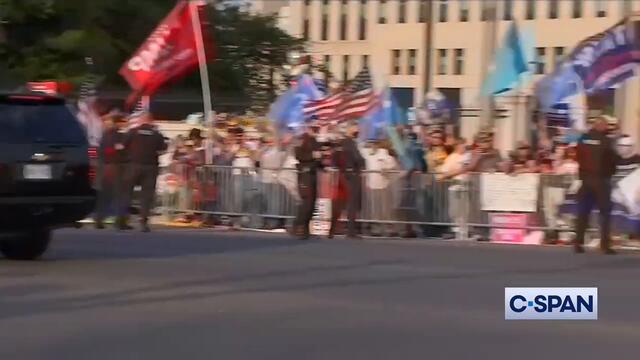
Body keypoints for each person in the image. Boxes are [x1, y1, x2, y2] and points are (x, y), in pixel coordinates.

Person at [574, 116, 618, 254]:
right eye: (606, 125)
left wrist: (582, 175)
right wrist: (610, 173)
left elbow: (578, 157)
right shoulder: (606, 141)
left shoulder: (583, 138)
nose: (607, 128)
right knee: (605, 213)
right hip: (601, 180)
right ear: (602, 126)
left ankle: (578, 243)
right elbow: (613, 160)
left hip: (586, 180)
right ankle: (605, 245)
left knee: (583, 212)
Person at [120, 112, 168, 232]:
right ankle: (143, 222)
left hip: (133, 166)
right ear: (151, 120)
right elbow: (162, 150)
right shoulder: (157, 134)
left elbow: (121, 146)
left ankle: (122, 221)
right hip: (150, 167)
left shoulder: (132, 132)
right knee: (146, 196)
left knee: (126, 193)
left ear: (141, 120)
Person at [329, 125, 365, 239]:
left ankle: (332, 231)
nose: (358, 130)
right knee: (352, 204)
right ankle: (350, 231)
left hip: (342, 174)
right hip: (352, 175)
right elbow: (357, 158)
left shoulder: (340, 144)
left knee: (340, 203)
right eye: (356, 128)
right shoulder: (350, 143)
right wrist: (362, 164)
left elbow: (333, 159)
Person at [94, 113, 130, 229]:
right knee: (120, 195)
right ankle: (120, 221)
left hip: (104, 167)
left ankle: (99, 219)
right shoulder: (117, 134)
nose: (125, 123)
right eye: (124, 121)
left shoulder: (105, 134)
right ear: (118, 122)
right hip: (116, 167)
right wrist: (119, 150)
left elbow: (100, 150)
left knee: (105, 195)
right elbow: (112, 149)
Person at [294, 125, 321, 239]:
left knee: (312, 203)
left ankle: (305, 229)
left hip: (313, 174)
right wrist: (312, 155)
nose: (316, 132)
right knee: (307, 203)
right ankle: (298, 225)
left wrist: (323, 164)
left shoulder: (315, 141)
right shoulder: (301, 139)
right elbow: (298, 155)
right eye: (314, 129)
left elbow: (318, 159)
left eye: (317, 130)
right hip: (305, 174)